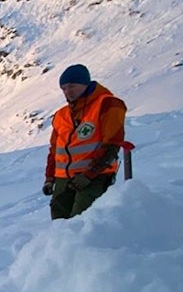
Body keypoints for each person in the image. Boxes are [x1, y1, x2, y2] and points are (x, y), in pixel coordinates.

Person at [43, 64, 128, 219]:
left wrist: (89, 175)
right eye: (64, 88)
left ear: (85, 84)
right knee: (59, 226)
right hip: (63, 180)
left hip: (94, 177)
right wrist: (50, 179)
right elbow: (55, 150)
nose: (68, 92)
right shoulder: (61, 115)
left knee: (83, 222)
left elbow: (112, 144)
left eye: (72, 86)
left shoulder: (108, 105)